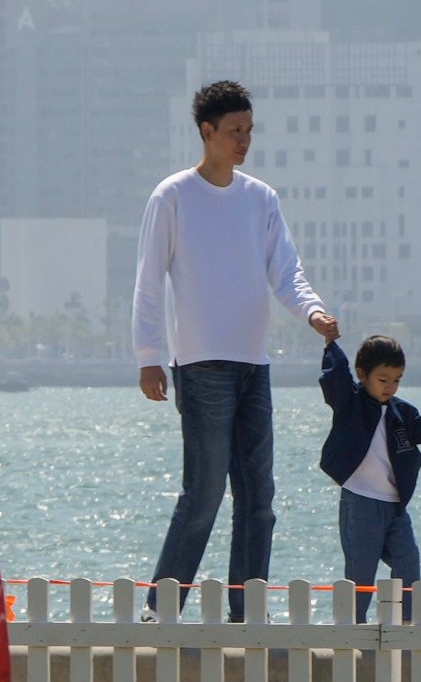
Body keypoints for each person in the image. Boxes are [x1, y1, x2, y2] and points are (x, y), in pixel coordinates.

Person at [132, 79, 338, 612]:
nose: (244, 140)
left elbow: (286, 271)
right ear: (207, 132)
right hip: (201, 366)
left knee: (260, 500)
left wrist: (312, 311)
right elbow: (148, 279)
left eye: (249, 130)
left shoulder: (260, 197)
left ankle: (247, 611)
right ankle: (161, 608)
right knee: (203, 495)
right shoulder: (172, 195)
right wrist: (148, 357)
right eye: (234, 131)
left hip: (254, 365)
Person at [316, 330, 421, 619]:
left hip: (395, 506)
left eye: (397, 380)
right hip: (359, 503)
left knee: (408, 564)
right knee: (361, 574)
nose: (390, 387)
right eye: (383, 380)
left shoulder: (402, 412)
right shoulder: (350, 402)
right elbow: (335, 379)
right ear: (362, 374)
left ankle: (408, 626)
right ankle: (352, 632)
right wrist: (331, 345)